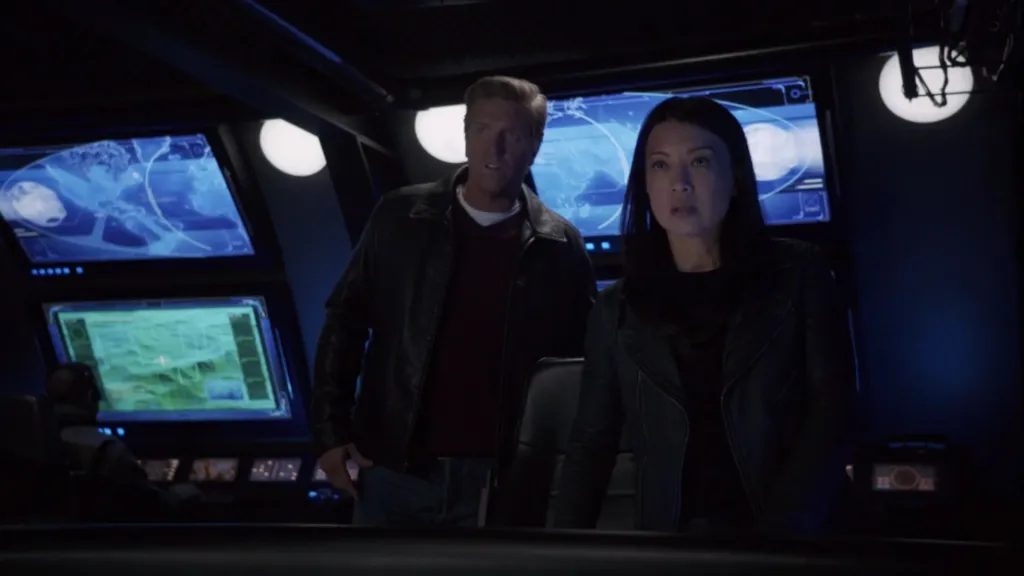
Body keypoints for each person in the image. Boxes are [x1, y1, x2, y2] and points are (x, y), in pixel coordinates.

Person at [552, 97, 856, 535]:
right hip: (674, 540)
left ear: (735, 179)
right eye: (660, 165)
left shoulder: (799, 274)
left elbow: (833, 414)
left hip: (791, 539)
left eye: (699, 161)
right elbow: (591, 443)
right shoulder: (617, 308)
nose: (679, 184)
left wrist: (779, 535)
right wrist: (561, 549)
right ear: (645, 184)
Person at [312, 75, 595, 527]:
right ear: (465, 135)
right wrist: (330, 434)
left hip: (503, 481)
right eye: (481, 129)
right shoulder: (400, 218)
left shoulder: (560, 244)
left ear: (535, 145)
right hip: (395, 471)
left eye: (511, 135)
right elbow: (345, 322)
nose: (493, 148)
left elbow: (581, 366)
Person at [47, 362, 198, 520]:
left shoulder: (37, 438)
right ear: (92, 396)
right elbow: (151, 506)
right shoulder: (106, 450)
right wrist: (180, 494)